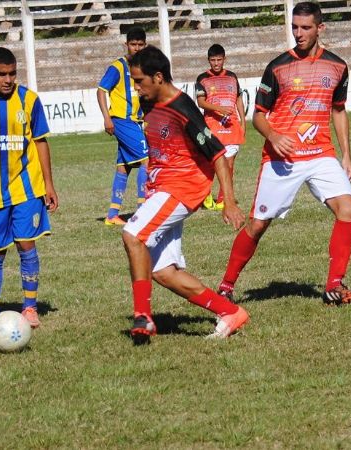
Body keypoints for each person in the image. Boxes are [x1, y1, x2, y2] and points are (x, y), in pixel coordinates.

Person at [217, 1, 351, 306]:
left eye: (305, 28)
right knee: (257, 225)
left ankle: (334, 286)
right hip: (282, 159)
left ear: (320, 28)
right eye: (294, 27)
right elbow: (257, 115)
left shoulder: (338, 67)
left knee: (348, 208)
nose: (298, 33)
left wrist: (346, 155)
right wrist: (273, 135)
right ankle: (226, 286)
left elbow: (338, 110)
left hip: (321, 154)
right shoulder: (277, 67)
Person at [122, 46, 249, 345]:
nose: (136, 88)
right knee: (163, 272)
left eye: (140, 81)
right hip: (162, 188)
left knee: (133, 234)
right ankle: (230, 312)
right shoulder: (149, 104)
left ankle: (143, 315)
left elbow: (217, 153)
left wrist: (228, 202)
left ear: (158, 77)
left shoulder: (184, 109)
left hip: (182, 188)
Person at [0, 47, 58, 333]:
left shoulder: (29, 100)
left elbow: (40, 141)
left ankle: (30, 306)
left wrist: (48, 183)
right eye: (1, 74)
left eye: (12, 74)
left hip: (26, 187)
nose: (8, 79)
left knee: (26, 245)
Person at [97, 27, 149, 226]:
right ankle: (143, 210)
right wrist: (107, 118)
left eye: (140, 44)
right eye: (133, 44)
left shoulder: (144, 67)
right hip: (121, 120)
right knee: (147, 160)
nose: (136, 48)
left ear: (145, 45)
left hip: (135, 121)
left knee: (123, 167)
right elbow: (101, 91)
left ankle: (112, 214)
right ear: (126, 45)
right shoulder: (118, 67)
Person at [195, 44, 246, 211]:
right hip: (212, 126)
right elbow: (200, 102)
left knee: (229, 164)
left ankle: (223, 200)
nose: (216, 63)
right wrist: (219, 109)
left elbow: (238, 99)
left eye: (219, 60)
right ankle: (205, 195)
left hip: (231, 126)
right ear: (208, 61)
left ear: (224, 59)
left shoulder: (232, 77)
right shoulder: (202, 78)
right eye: (212, 60)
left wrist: (243, 122)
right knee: (212, 164)